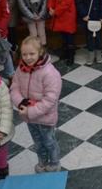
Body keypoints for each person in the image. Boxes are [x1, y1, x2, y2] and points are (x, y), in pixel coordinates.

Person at [10, 36, 62, 173]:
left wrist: (30, 111)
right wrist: (21, 103)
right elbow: (14, 88)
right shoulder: (20, 69)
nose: (28, 57)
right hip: (29, 116)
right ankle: (43, 162)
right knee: (38, 143)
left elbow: (50, 99)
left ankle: (55, 164)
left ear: (40, 52)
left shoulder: (49, 72)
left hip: (44, 116)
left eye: (31, 53)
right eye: (24, 54)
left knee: (49, 142)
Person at [48, 0, 80, 66]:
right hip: (59, 12)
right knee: (63, 33)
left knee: (69, 34)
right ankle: (67, 50)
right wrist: (50, 7)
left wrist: (55, 11)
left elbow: (67, 1)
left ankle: (71, 53)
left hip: (66, 13)